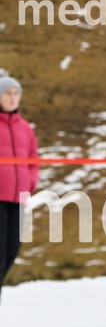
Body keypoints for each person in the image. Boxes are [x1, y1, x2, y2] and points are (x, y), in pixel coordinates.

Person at [0, 76, 38, 301]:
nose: (12, 98)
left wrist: (30, 183)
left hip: (18, 199)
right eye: (7, 93)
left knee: (11, 253)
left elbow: (33, 161)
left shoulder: (25, 128)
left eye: (16, 93)